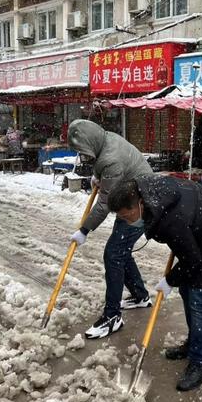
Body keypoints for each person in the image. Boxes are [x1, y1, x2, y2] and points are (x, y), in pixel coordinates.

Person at [107, 176, 202, 391]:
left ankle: (200, 363)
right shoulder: (150, 193)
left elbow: (192, 259)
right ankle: (193, 343)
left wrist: (170, 280)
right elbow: (186, 247)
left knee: (199, 296)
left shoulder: (171, 218)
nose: (127, 222)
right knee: (187, 290)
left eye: (127, 216)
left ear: (140, 204)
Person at [67, 119, 154, 339]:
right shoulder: (105, 141)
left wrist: (85, 230)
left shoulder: (111, 158)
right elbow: (107, 172)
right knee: (120, 250)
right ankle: (140, 295)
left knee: (114, 253)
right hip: (130, 197)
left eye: (83, 151)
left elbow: (105, 202)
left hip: (141, 205)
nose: (84, 156)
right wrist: (100, 176)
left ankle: (112, 316)